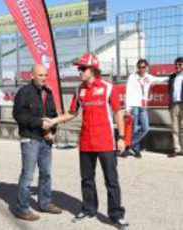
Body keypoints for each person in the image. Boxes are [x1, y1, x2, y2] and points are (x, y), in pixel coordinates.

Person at [43, 53, 129, 229]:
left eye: (82, 68)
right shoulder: (78, 89)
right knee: (86, 179)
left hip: (106, 143)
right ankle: (89, 209)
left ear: (93, 69)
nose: (79, 71)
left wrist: (121, 137)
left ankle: (116, 215)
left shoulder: (109, 88)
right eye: (79, 68)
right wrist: (53, 121)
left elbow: (118, 113)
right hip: (86, 143)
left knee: (111, 180)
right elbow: (72, 112)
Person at [13, 64, 62, 221]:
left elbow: (53, 115)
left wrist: (52, 131)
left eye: (45, 75)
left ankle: (45, 203)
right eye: (41, 75)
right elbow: (19, 116)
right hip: (30, 139)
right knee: (28, 176)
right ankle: (22, 208)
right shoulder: (24, 93)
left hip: (45, 140)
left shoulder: (48, 93)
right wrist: (40, 123)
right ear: (32, 75)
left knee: (46, 174)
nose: (44, 78)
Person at [125, 59, 169, 158]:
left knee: (145, 128)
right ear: (137, 67)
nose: (142, 69)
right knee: (134, 129)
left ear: (147, 67)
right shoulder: (132, 77)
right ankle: (136, 149)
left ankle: (129, 144)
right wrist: (127, 108)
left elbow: (160, 79)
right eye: (140, 67)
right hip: (134, 106)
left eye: (144, 67)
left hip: (143, 106)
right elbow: (128, 92)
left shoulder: (148, 77)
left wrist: (172, 77)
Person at [168, 57, 183, 157]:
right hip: (174, 104)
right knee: (175, 128)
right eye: (176, 65)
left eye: (180, 65)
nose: (177, 66)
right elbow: (169, 90)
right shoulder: (172, 77)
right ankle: (177, 149)